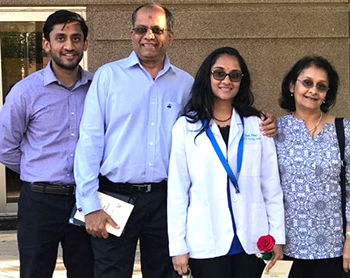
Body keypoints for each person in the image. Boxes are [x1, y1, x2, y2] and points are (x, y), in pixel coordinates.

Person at [74, 4, 277, 278]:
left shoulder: (185, 84)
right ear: (131, 34)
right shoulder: (108, 77)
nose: (149, 36)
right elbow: (89, 143)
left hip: (163, 199)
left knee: (163, 274)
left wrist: (261, 120)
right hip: (114, 197)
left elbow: (215, 120)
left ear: (170, 36)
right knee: (110, 274)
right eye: (142, 29)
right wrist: (90, 206)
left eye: (157, 30)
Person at [167, 46, 285, 278]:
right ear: (207, 77)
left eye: (235, 75)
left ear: (242, 80)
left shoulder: (257, 124)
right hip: (205, 239)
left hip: (254, 240)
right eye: (219, 73)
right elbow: (178, 191)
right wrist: (178, 246)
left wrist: (277, 237)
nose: (226, 80)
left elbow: (271, 187)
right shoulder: (186, 127)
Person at [0, 10, 94, 278]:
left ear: (85, 44)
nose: (69, 45)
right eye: (60, 38)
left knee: (88, 272)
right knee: (35, 272)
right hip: (39, 202)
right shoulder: (26, 91)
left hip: (86, 201)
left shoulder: (99, 88)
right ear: (46, 44)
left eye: (76, 38)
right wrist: (36, 169)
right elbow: (4, 146)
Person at [275, 55, 350, 278]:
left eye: (321, 86)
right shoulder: (273, 130)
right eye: (307, 82)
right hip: (287, 247)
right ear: (292, 85)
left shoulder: (343, 130)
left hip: (333, 247)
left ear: (327, 93)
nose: (313, 90)